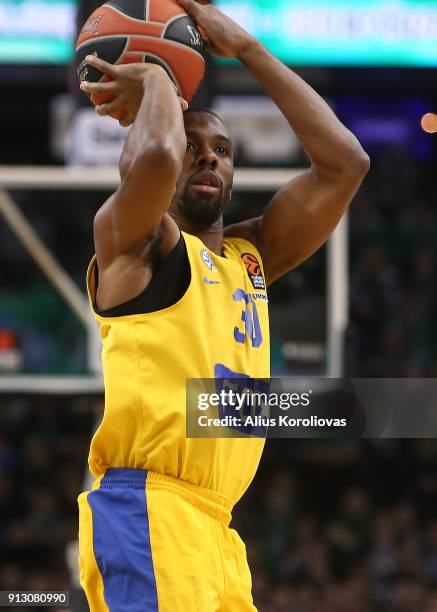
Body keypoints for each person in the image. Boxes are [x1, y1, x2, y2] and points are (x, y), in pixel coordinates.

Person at [77, 0, 370, 609]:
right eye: (192, 143)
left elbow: (346, 163)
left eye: (223, 149)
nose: (208, 155)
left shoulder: (250, 256)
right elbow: (153, 159)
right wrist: (160, 73)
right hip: (148, 508)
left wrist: (250, 51)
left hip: (217, 531)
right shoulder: (135, 242)